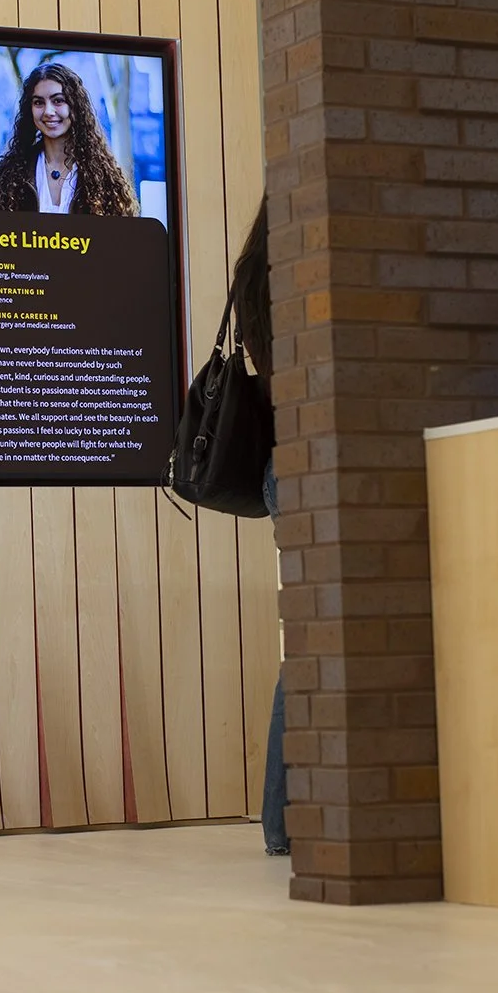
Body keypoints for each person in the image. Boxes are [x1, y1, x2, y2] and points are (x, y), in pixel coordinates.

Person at [229, 197, 287, 857]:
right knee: (312, 650)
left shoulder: (255, 273)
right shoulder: (302, 265)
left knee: (306, 649)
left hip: (279, 463)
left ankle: (282, 821)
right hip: (301, 464)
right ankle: (281, 819)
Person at [0, 61, 139, 217]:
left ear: (75, 106)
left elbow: (122, 240)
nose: (48, 111)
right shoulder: (8, 176)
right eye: (39, 102)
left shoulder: (103, 178)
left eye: (58, 101)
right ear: (30, 109)